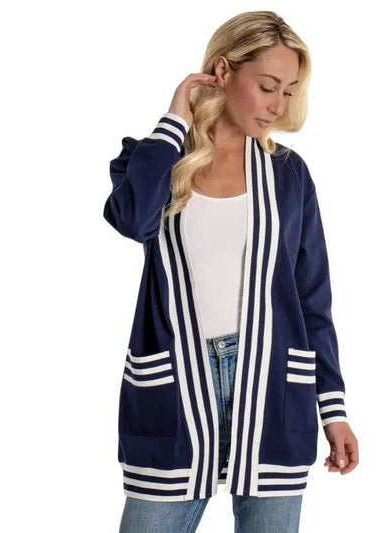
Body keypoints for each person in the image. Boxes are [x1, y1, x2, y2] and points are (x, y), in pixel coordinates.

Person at [104, 10, 359, 533]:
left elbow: (312, 299)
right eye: (267, 86)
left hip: (272, 388)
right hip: (175, 386)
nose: (277, 105)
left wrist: (333, 410)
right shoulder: (154, 159)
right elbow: (132, 219)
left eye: (288, 91)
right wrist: (175, 119)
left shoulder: (289, 175)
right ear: (223, 70)